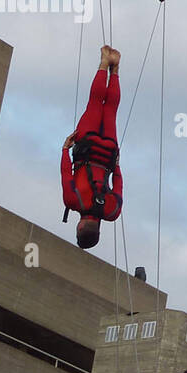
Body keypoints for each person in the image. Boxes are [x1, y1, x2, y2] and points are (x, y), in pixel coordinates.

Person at [62, 45, 123, 249]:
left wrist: (116, 164)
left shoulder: (112, 212)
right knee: (95, 103)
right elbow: (66, 175)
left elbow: (119, 183)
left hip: (107, 153)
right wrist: (64, 150)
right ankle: (104, 62)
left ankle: (115, 68)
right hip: (86, 147)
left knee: (111, 109)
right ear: (79, 228)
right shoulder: (73, 202)